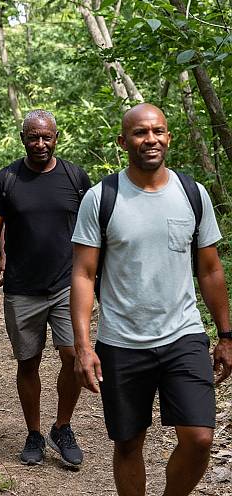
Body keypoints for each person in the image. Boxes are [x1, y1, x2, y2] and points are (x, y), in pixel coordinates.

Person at [71, 103, 232, 496]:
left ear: (169, 136)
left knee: (199, 438)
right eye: (141, 133)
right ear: (123, 141)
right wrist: (83, 345)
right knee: (128, 443)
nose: (151, 139)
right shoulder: (101, 197)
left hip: (184, 335)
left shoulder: (192, 194)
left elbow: (210, 270)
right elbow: (83, 273)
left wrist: (226, 334)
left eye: (158, 131)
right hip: (122, 342)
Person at [0, 109, 90, 467]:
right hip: (22, 288)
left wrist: (97, 278)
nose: (40, 143)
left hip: (66, 285)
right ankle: (34, 432)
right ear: (23, 138)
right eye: (33, 137)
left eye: (46, 137)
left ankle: (62, 425)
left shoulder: (76, 178)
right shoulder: (6, 179)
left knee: (73, 358)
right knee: (28, 363)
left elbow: (94, 233)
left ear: (57, 138)